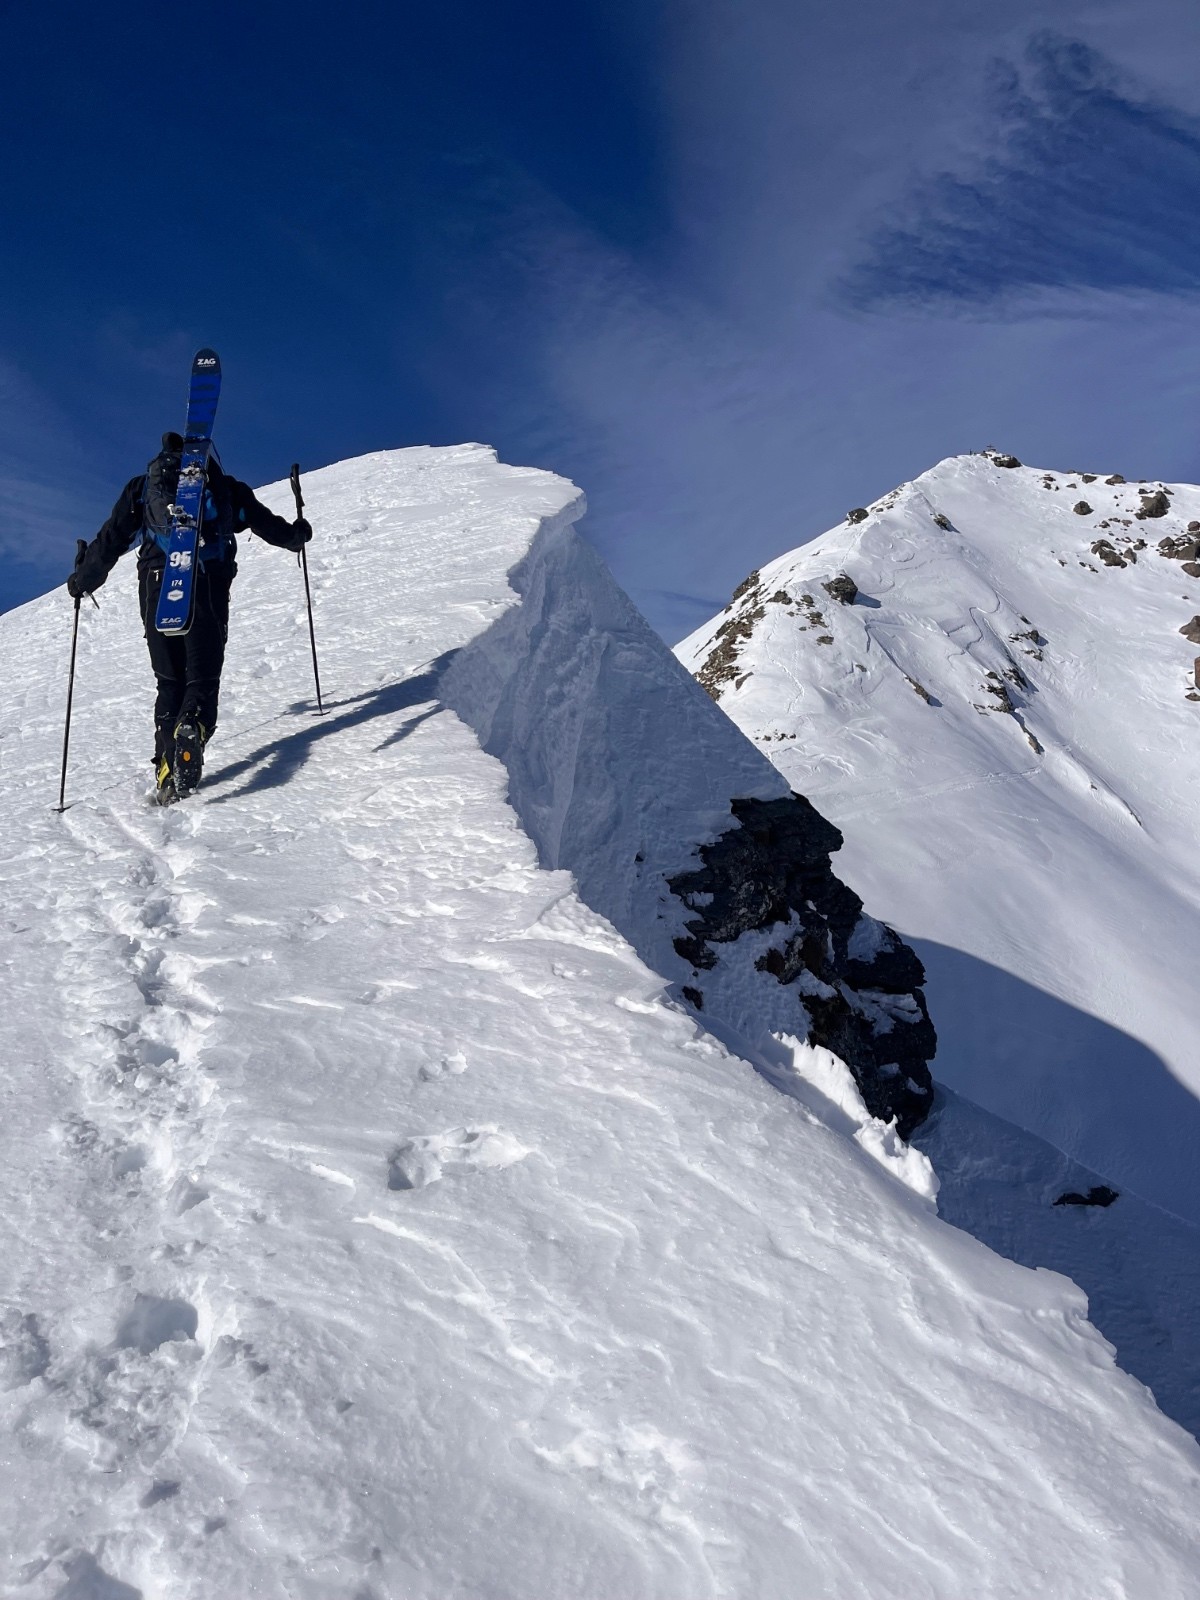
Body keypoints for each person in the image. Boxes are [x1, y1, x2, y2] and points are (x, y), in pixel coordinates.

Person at [68, 433, 311, 804]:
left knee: (169, 681)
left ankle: (167, 768)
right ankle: (192, 726)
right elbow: (264, 523)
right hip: (205, 584)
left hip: (155, 585)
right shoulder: (225, 489)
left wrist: (82, 580)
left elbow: (111, 539)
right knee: (202, 678)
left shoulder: (142, 488)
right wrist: (297, 536)